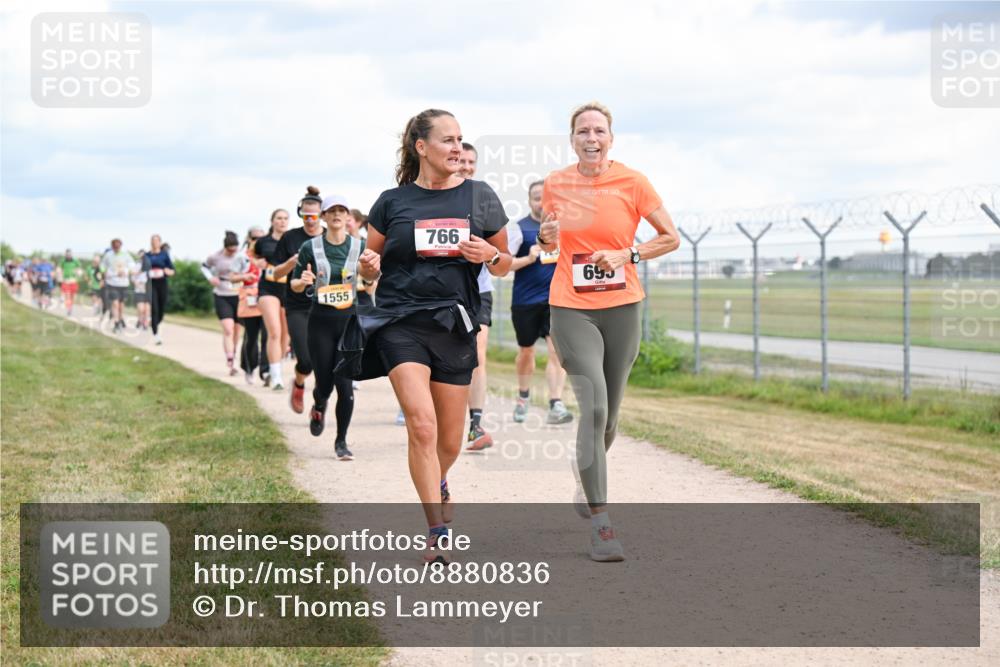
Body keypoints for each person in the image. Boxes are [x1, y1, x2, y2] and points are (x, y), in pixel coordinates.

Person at [348, 108, 511, 563]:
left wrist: (488, 255)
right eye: (448, 140)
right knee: (421, 424)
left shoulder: (480, 197)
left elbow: (505, 261)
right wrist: (367, 269)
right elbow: (368, 262)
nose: (458, 148)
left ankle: (440, 479)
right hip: (400, 321)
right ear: (422, 148)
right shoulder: (391, 201)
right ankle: (436, 532)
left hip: (455, 323)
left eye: (461, 139)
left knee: (450, 440)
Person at [538, 102, 680, 562]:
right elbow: (550, 243)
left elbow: (670, 236)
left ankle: (586, 474)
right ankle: (602, 525)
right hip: (571, 305)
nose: (591, 137)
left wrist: (629, 255)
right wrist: (545, 237)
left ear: (611, 139)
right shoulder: (557, 183)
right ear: (572, 139)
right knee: (594, 406)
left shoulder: (633, 182)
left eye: (599, 130)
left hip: (623, 306)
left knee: (610, 418)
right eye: (583, 131)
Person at [290, 195, 363, 460]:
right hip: (320, 320)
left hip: (349, 322)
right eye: (331, 210)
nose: (336, 215)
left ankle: (341, 441)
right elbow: (295, 284)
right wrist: (303, 280)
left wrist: (373, 276)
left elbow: (372, 278)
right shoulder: (311, 247)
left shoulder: (359, 246)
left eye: (342, 210)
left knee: (345, 385)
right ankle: (319, 403)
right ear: (323, 216)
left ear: (348, 217)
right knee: (325, 382)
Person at [509, 180, 573, 425]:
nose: (542, 202)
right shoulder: (519, 228)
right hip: (525, 301)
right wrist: (528, 257)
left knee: (557, 351)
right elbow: (504, 265)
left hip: (556, 300)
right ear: (529, 201)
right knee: (526, 352)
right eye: (537, 197)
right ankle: (523, 396)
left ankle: (555, 403)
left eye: (546, 198)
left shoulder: (563, 229)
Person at [455, 142, 498, 451]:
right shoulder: (430, 199)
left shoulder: (483, 199)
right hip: (439, 291)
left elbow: (501, 251)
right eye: (461, 160)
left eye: (471, 161)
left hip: (479, 289)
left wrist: (489, 251)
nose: (466, 166)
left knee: (477, 354)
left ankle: (476, 424)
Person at [271, 187, 325, 412]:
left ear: (322, 214)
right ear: (300, 214)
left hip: (326, 305)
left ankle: (319, 404)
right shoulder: (290, 237)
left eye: (314, 216)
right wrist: (292, 262)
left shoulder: (329, 237)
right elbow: (276, 274)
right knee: (306, 360)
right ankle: (299, 383)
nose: (310, 220)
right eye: (305, 216)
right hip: (297, 306)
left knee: (326, 361)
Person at [202, 231, 253, 375]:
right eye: (230, 250)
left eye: (234, 250)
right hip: (222, 294)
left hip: (239, 295)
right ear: (225, 247)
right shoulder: (215, 257)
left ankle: (233, 352)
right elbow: (204, 266)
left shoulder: (243, 257)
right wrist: (210, 278)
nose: (232, 253)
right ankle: (230, 360)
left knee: (237, 330)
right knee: (228, 329)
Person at [252, 209, 292, 390]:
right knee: (274, 331)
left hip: (289, 290)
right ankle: (275, 376)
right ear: (272, 221)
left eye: (285, 218)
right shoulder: (263, 241)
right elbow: (253, 256)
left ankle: (276, 366)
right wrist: (257, 263)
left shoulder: (293, 240)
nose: (282, 221)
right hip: (268, 288)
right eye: (279, 218)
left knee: (286, 335)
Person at [239, 227, 270, 385]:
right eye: (255, 238)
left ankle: (265, 371)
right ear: (249, 239)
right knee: (251, 337)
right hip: (249, 300)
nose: (258, 241)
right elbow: (232, 276)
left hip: (267, 298)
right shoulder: (243, 257)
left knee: (267, 336)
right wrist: (244, 276)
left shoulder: (269, 256)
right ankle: (249, 367)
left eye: (261, 238)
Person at [146, 234, 175, 345]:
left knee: (161, 309)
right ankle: (156, 334)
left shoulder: (164, 255)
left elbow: (172, 270)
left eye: (156, 241)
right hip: (151, 284)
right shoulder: (147, 256)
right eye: (152, 241)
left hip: (162, 283)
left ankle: (154, 323)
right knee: (154, 308)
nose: (154, 243)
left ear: (160, 242)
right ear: (150, 242)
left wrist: (168, 272)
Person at [100, 239, 134, 332]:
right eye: (114, 246)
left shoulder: (126, 255)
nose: (116, 248)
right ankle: (116, 322)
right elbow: (102, 265)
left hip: (123, 283)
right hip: (112, 282)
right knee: (115, 303)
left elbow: (132, 265)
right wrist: (104, 272)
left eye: (118, 246)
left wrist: (126, 271)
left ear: (121, 246)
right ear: (112, 246)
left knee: (121, 304)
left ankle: (120, 318)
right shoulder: (108, 255)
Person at [132, 249, 151, 329]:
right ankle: (140, 320)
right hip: (139, 289)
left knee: (147, 309)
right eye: (141, 255)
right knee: (141, 308)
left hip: (148, 288)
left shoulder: (150, 266)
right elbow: (132, 277)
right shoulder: (136, 266)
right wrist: (136, 283)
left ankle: (145, 323)